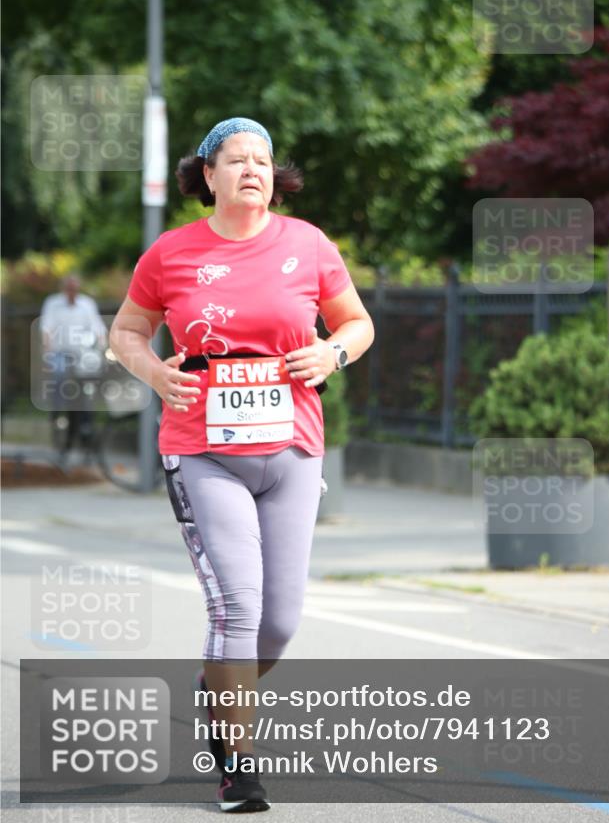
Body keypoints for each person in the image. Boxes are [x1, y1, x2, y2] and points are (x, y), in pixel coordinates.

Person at [109, 116, 374, 812]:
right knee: (236, 606)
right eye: (235, 159)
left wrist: (333, 352)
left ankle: (218, 688)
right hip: (201, 449)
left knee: (278, 623)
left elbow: (356, 321)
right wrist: (154, 375)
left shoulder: (309, 244)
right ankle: (237, 766)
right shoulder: (170, 253)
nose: (252, 168)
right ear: (207, 175)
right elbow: (127, 332)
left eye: (262, 159)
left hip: (290, 446)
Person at [40, 274, 107, 460]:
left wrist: (101, 345)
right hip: (60, 353)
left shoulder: (87, 304)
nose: (72, 292)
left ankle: (86, 423)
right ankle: (57, 413)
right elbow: (46, 329)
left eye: (75, 289)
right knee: (59, 377)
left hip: (82, 354)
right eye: (69, 288)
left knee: (89, 387)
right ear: (64, 288)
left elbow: (97, 328)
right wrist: (48, 352)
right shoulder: (53, 303)